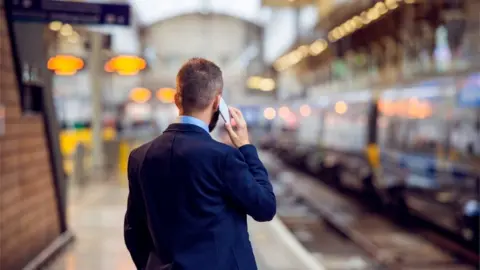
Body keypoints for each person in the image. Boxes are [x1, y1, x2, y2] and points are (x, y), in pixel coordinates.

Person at [124, 58, 276, 270]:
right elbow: (265, 207)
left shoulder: (139, 157)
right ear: (217, 103)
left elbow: (133, 232)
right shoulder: (223, 158)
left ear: (177, 99)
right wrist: (246, 147)